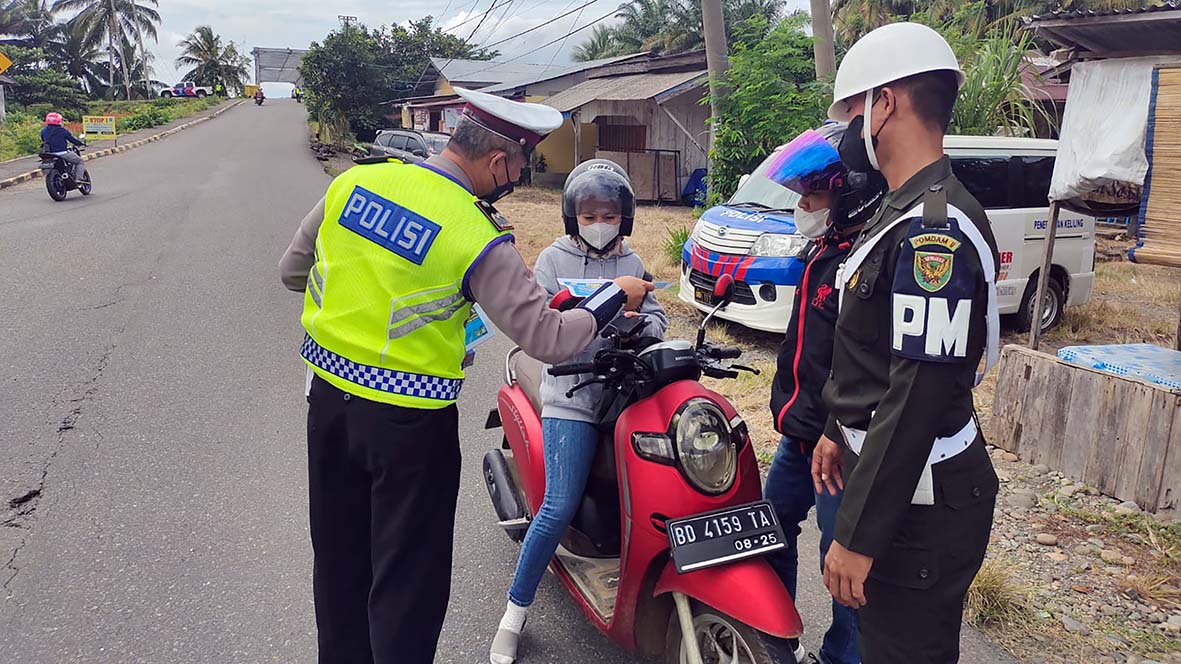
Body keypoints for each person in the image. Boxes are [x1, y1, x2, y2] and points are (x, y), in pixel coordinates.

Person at [278, 87, 653, 664]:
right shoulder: (475, 232)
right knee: (407, 582)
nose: (517, 179)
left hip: (327, 406)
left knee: (339, 563)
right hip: (410, 426)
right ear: (499, 161)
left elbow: (291, 272)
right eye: (520, 166)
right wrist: (612, 298)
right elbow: (547, 340)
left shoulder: (354, 183)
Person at [810, 22, 1002, 663]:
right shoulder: (899, 209)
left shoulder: (932, 231)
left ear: (885, 103)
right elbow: (878, 353)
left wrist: (858, 536)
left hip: (923, 500)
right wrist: (840, 429)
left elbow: (918, 391)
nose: (849, 131)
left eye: (853, 111)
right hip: (901, 480)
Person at [489, 159, 668, 664]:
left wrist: (644, 326)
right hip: (572, 394)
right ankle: (514, 615)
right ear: (572, 216)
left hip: (624, 393)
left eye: (608, 212)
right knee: (558, 504)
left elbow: (654, 317)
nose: (599, 221)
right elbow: (548, 326)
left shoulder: (633, 263)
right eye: (588, 213)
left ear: (624, 216)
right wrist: (614, 305)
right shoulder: (550, 259)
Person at [762, 122, 886, 664]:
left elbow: (864, 367)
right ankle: (776, 634)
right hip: (800, 435)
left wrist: (833, 430)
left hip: (838, 443)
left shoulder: (862, 260)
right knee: (768, 529)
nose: (803, 205)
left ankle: (842, 657)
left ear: (848, 192)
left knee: (841, 563)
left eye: (812, 194)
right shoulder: (825, 251)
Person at [40, 113, 87, 181]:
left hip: (49, 154)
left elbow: (43, 140)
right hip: (62, 153)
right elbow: (72, 140)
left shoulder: (43, 131)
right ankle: (79, 179)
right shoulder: (62, 130)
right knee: (79, 161)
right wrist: (80, 143)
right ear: (58, 121)